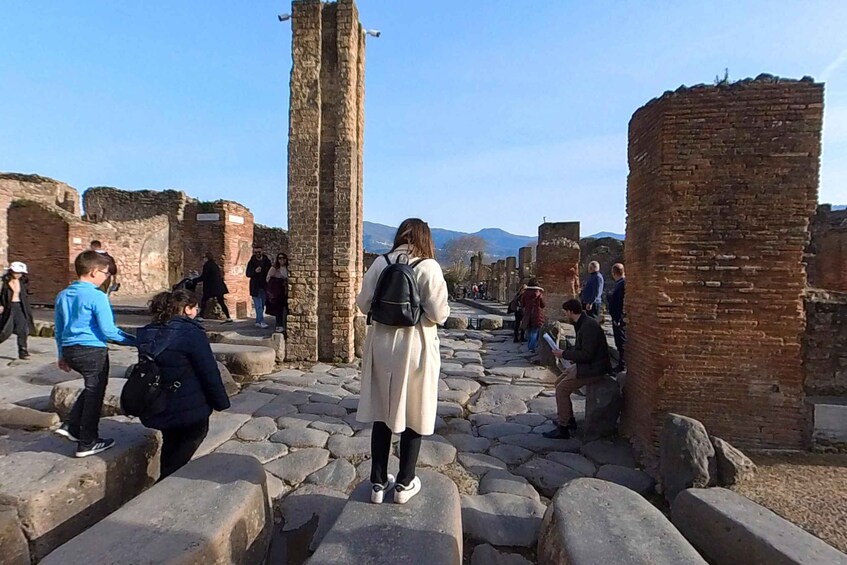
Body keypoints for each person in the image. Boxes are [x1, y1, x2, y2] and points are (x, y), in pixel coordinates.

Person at [356, 218, 450, 505]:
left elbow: (362, 305)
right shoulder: (428, 267)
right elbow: (439, 313)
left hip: (382, 346)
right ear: (425, 239)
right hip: (415, 346)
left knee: (382, 413)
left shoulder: (380, 263)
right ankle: (405, 483)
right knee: (414, 410)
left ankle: (377, 482)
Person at [136, 290, 231, 479]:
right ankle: (167, 485)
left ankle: (166, 476)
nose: (196, 312)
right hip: (188, 406)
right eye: (194, 308)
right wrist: (221, 402)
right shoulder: (191, 333)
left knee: (171, 443)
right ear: (187, 309)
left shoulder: (147, 332)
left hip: (157, 402)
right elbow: (208, 370)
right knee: (191, 439)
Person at [54, 251, 136, 457]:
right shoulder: (97, 296)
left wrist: (62, 354)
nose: (106, 277)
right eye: (105, 273)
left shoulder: (63, 295)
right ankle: (88, 441)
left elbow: (59, 329)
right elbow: (108, 330)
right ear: (93, 272)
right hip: (92, 350)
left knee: (91, 387)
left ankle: (71, 425)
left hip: (71, 349)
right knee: (95, 393)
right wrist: (135, 341)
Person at [544, 299, 612, 439]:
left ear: (570, 311)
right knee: (558, 383)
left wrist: (564, 354)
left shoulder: (588, 326)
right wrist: (570, 355)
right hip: (587, 365)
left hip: (594, 368)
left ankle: (563, 428)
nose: (565, 315)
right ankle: (569, 419)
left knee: (562, 389)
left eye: (565, 312)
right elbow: (581, 349)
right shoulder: (583, 323)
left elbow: (587, 354)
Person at [0, 262, 34, 360]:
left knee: (23, 330)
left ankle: (23, 351)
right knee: (5, 330)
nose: (18, 275)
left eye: (20, 273)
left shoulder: (23, 282)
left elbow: (26, 294)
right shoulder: (4, 283)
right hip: (9, 308)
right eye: (16, 272)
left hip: (20, 307)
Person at [195, 253, 233, 323]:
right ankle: (228, 317)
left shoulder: (207, 265)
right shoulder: (215, 265)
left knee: (204, 300)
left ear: (206, 258)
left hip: (211, 287)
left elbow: (204, 277)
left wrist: (194, 280)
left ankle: (201, 316)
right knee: (221, 302)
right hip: (219, 286)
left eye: (204, 258)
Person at [246, 244, 272, 329]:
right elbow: (248, 274)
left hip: (264, 286)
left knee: (262, 304)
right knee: (258, 306)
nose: (257, 253)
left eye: (259, 252)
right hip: (255, 287)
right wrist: (255, 271)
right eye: (256, 252)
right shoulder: (251, 262)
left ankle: (258, 321)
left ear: (262, 251)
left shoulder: (266, 261)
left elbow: (270, 271)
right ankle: (261, 321)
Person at [607, 263, 626, 372]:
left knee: (621, 342)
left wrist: (617, 318)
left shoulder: (622, 284)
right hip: (617, 318)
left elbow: (618, 302)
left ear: (614, 273)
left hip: (619, 319)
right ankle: (621, 364)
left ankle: (622, 365)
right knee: (618, 343)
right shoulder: (620, 284)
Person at [266, 252, 290, 334]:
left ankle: (287, 325)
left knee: (288, 309)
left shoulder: (289, 267)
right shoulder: (274, 268)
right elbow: (268, 278)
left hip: (287, 291)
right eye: (280, 258)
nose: (282, 260)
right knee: (279, 310)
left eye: (283, 258)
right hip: (278, 292)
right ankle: (279, 326)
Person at [520, 278, 545, 352]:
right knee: (534, 331)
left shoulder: (525, 294)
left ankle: (529, 345)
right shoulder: (539, 294)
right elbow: (543, 304)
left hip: (527, 314)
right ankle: (531, 347)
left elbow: (522, 304)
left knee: (529, 331)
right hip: (537, 314)